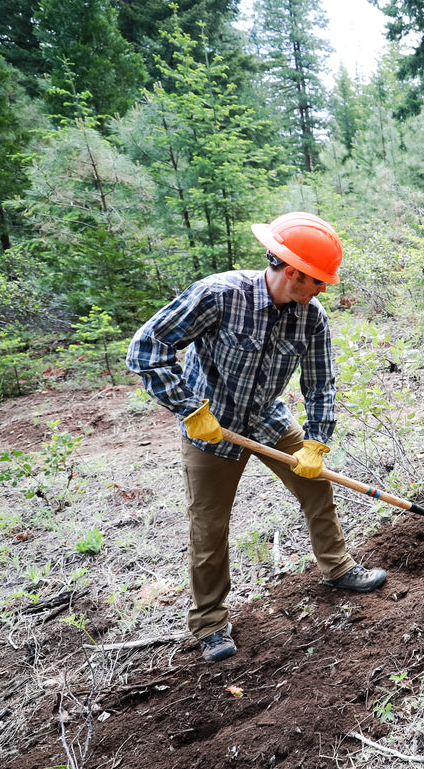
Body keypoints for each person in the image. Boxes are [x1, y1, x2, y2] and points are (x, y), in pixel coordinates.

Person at [127, 212, 386, 662]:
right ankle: (210, 623)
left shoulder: (312, 318)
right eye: (318, 281)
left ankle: (337, 567)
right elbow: (146, 349)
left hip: (267, 419)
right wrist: (191, 409)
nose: (323, 290)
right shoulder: (220, 295)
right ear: (292, 272)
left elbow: (320, 383)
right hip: (210, 424)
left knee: (317, 487)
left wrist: (316, 442)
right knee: (209, 526)